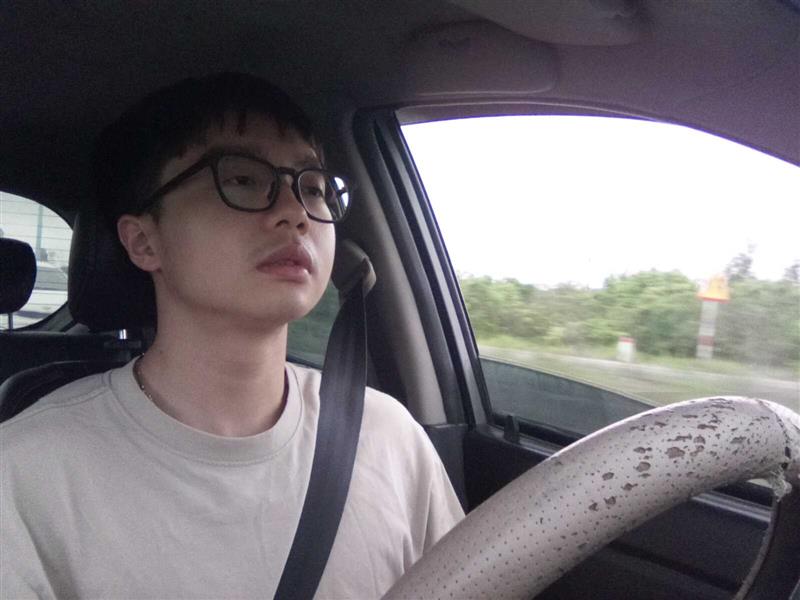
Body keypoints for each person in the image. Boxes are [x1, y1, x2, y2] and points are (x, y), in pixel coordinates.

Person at [0, 73, 464, 599]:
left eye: (313, 188)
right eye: (242, 179)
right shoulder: (27, 473)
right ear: (144, 242)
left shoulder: (390, 437)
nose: (295, 213)